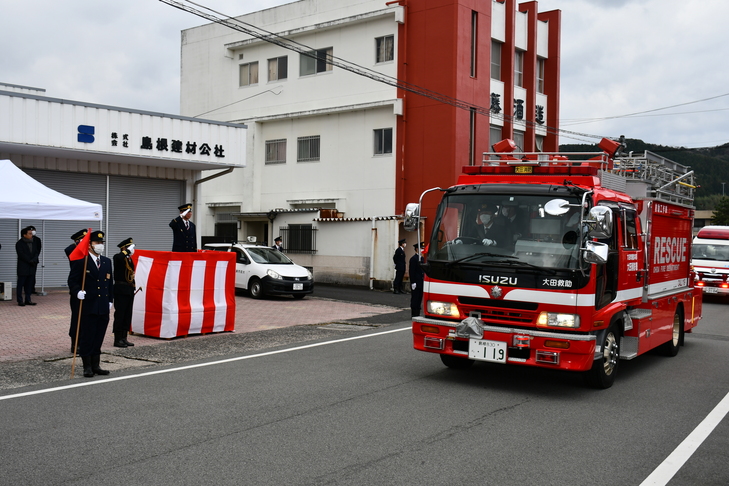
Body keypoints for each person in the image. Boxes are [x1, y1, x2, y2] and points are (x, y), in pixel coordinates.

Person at [68, 230, 113, 378]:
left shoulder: (107, 261)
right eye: (96, 243)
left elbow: (109, 283)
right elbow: (72, 281)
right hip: (88, 306)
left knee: (99, 336)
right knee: (87, 337)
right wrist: (77, 292)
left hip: (102, 306)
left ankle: (96, 365)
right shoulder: (82, 261)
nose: (100, 245)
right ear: (89, 245)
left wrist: (110, 300)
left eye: (101, 243)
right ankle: (87, 366)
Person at [65, 229, 88, 353]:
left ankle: (84, 343)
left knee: (86, 319)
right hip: (78, 290)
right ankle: (75, 344)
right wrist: (77, 245)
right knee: (77, 319)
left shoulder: (87, 252)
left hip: (88, 291)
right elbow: (68, 250)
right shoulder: (74, 252)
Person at [112, 238, 136, 348]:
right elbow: (118, 257)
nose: (132, 250)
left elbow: (131, 274)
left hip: (129, 290)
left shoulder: (129, 259)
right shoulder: (118, 257)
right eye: (130, 247)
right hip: (121, 290)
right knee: (120, 315)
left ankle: (124, 337)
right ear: (124, 248)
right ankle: (117, 339)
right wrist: (125, 252)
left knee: (127, 315)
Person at [15, 226, 40, 306]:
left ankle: (28, 299)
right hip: (23, 267)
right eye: (29, 233)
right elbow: (21, 254)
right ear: (24, 235)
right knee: (21, 284)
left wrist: (34, 260)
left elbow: (37, 252)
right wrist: (29, 260)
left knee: (29, 284)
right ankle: (20, 300)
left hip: (32, 266)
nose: (31, 235)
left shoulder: (34, 242)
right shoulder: (19, 243)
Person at [409, 242, 425, 317]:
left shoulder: (422, 258)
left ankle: (418, 312)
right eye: (421, 248)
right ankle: (414, 312)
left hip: (421, 282)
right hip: (416, 281)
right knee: (415, 297)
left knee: (419, 297)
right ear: (417, 249)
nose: (422, 249)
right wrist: (413, 282)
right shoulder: (413, 259)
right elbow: (412, 271)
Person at [28, 225, 42, 295]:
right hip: (26, 260)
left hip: (34, 260)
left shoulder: (37, 239)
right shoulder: (24, 239)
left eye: (33, 230)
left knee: (33, 275)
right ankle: (26, 288)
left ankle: (32, 288)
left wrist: (34, 258)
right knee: (25, 275)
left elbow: (38, 250)